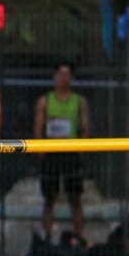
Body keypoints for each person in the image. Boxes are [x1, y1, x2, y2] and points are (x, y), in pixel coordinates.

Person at [34, 62, 90, 240]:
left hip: (71, 153)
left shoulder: (79, 101)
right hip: (51, 152)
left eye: (67, 75)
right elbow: (38, 128)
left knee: (75, 199)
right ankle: (48, 237)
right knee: (49, 198)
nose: (63, 79)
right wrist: (40, 151)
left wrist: (82, 148)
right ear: (54, 77)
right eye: (60, 74)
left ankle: (79, 238)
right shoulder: (45, 101)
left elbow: (85, 127)